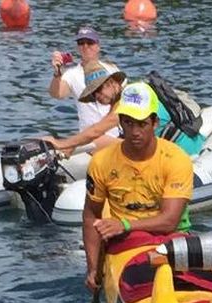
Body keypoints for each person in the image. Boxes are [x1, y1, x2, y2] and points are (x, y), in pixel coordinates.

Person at [82, 81, 194, 292]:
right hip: (127, 241)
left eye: (142, 124)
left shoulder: (176, 159)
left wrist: (123, 225)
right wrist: (92, 269)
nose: (134, 132)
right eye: (129, 123)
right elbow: (91, 215)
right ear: (121, 123)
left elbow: (170, 221)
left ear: (154, 123)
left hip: (172, 236)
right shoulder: (101, 162)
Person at [48, 26, 116, 132]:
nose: (85, 46)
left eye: (90, 42)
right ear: (77, 48)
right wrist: (57, 73)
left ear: (98, 46)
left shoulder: (112, 69)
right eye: (81, 43)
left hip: (115, 135)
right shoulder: (72, 74)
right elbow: (57, 94)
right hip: (89, 139)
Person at [48, 67, 125, 155]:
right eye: (93, 94)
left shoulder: (128, 98)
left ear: (112, 83)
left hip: (142, 149)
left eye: (99, 90)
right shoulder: (115, 105)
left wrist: (63, 144)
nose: (97, 96)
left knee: (100, 140)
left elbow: (96, 131)